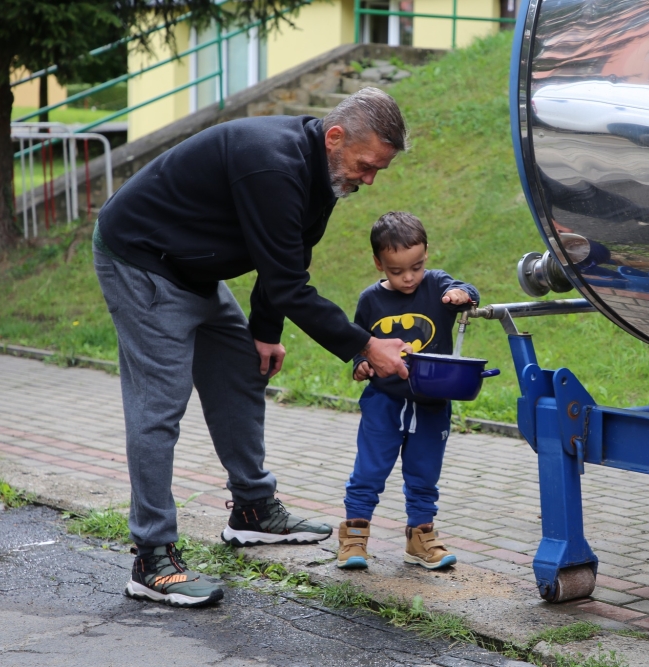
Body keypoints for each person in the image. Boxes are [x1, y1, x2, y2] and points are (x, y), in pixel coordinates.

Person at [92, 88, 412, 608]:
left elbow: (286, 261)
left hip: (194, 267)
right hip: (143, 261)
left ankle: (252, 511)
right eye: (366, 164)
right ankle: (151, 557)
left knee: (243, 372)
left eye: (378, 169)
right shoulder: (272, 165)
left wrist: (265, 331)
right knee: (159, 408)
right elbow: (289, 283)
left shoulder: (324, 175)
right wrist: (364, 345)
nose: (369, 179)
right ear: (335, 138)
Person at [336, 211, 479, 571]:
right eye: (397, 271)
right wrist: (361, 364)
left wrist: (462, 294)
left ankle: (421, 538)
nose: (408, 277)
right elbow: (359, 341)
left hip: (432, 401)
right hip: (383, 401)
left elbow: (466, 290)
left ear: (425, 254)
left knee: (424, 474)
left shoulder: (437, 284)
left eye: (415, 267)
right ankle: (354, 537)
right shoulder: (371, 300)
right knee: (369, 471)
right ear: (378, 263)